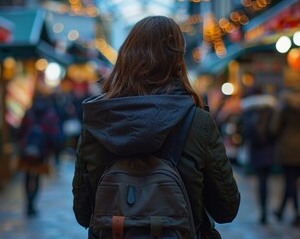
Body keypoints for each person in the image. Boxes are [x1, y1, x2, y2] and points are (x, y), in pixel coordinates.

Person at [72, 16, 240, 238]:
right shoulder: (197, 122)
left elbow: (83, 214)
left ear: (125, 56)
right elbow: (226, 208)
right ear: (177, 61)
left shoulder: (98, 120)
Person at [271, 88, 300, 227]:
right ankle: (280, 210)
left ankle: (297, 214)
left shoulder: (283, 111)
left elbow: (273, 129)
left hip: (287, 150)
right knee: (291, 180)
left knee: (291, 182)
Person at [18, 93, 59, 217]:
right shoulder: (50, 115)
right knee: (37, 178)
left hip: (26, 151)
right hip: (42, 152)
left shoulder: (29, 113)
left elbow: (20, 130)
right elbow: (54, 135)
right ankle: (33, 204)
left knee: (26, 176)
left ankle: (28, 202)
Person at [240, 87, 277, 225]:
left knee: (260, 181)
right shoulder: (271, 108)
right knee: (266, 181)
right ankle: (265, 210)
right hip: (269, 149)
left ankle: (262, 211)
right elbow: (274, 130)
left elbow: (245, 132)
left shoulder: (248, 110)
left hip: (255, 150)